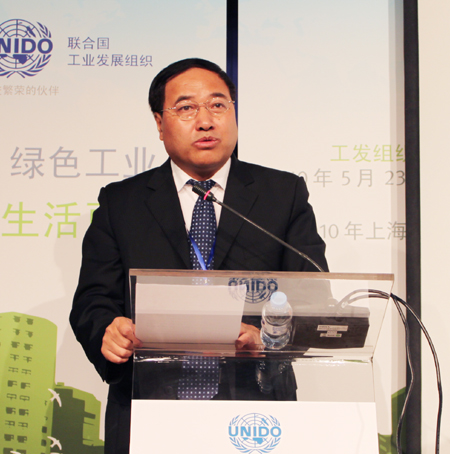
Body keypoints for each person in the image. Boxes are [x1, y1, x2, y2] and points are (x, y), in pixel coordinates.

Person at [70, 58, 328, 454]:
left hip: (256, 411)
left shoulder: (283, 194)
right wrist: (108, 330)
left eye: (218, 105)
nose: (205, 121)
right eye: (187, 108)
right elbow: (92, 300)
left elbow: (313, 298)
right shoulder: (121, 202)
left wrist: (267, 339)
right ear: (160, 123)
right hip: (149, 405)